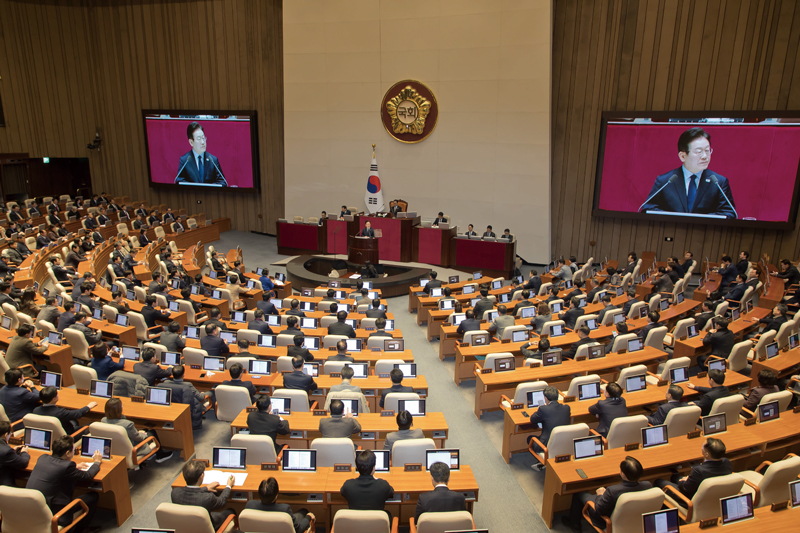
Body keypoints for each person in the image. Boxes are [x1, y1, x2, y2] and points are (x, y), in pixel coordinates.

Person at [640, 127, 736, 218]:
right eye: (698, 151)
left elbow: (729, 213)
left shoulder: (718, 182)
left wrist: (701, 221)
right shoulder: (665, 181)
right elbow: (648, 208)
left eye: (707, 150)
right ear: (683, 156)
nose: (705, 156)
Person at [26, 435, 103, 533]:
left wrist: (74, 467)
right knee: (93, 495)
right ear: (67, 453)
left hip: (33, 510)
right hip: (57, 515)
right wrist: (96, 462)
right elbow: (87, 475)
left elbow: (58, 468)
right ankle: (81, 529)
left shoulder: (42, 458)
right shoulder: (67, 467)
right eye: (73, 450)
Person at [563, 456, 651, 532]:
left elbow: (599, 510)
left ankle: (574, 523)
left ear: (623, 474)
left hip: (606, 520)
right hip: (635, 518)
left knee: (579, 493)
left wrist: (600, 495)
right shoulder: (648, 485)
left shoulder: (613, 491)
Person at [654, 438, 732, 499]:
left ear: (707, 454)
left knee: (659, 482)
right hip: (714, 495)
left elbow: (686, 488)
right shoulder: (727, 462)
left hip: (691, 498)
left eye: (703, 446)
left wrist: (684, 481)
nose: (701, 448)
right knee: (674, 477)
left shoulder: (699, 470)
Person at [102, 397, 172, 462]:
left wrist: (139, 432)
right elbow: (138, 438)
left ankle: (153, 454)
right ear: (119, 410)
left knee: (145, 429)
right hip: (133, 449)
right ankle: (160, 456)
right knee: (152, 432)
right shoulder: (128, 424)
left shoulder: (103, 420)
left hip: (115, 447)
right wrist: (141, 433)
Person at [171, 460, 236, 530]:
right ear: (201, 476)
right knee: (230, 511)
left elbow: (191, 492)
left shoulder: (175, 493)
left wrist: (205, 488)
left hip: (185, 525)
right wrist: (229, 486)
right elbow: (222, 501)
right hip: (207, 527)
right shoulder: (207, 498)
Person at [245, 478, 315, 533]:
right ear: (276, 495)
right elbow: (298, 529)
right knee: (303, 511)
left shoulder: (249, 505)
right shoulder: (284, 509)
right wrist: (308, 517)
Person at [528, 386, 571, 460]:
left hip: (546, 444)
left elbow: (532, 419)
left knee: (530, 438)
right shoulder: (566, 408)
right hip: (563, 442)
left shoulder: (543, 409)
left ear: (545, 398)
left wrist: (540, 410)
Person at [0, 420, 30, 486]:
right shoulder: (7, 451)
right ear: (5, 434)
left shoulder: (6, 450)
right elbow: (23, 463)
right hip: (3, 486)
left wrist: (12, 450)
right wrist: (24, 452)